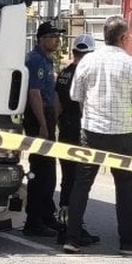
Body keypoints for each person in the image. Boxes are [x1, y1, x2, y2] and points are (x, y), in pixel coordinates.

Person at [64, 16, 132, 256]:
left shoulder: (88, 60)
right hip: (121, 132)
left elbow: (74, 94)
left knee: (82, 184)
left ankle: (72, 238)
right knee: (125, 187)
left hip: (91, 131)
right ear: (123, 38)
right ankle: (127, 242)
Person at [53, 34, 99, 245]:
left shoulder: (64, 72)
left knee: (67, 180)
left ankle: (65, 227)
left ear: (73, 53)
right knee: (78, 182)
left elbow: (57, 105)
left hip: (64, 130)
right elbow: (83, 105)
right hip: (79, 131)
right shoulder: (83, 74)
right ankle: (74, 229)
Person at [21, 21, 64, 237]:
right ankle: (34, 221)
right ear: (41, 39)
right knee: (40, 171)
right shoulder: (36, 60)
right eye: (53, 36)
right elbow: (34, 94)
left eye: (58, 36)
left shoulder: (47, 60)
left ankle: (47, 216)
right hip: (38, 116)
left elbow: (51, 93)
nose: (57, 40)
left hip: (46, 114)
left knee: (48, 172)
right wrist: (43, 125)